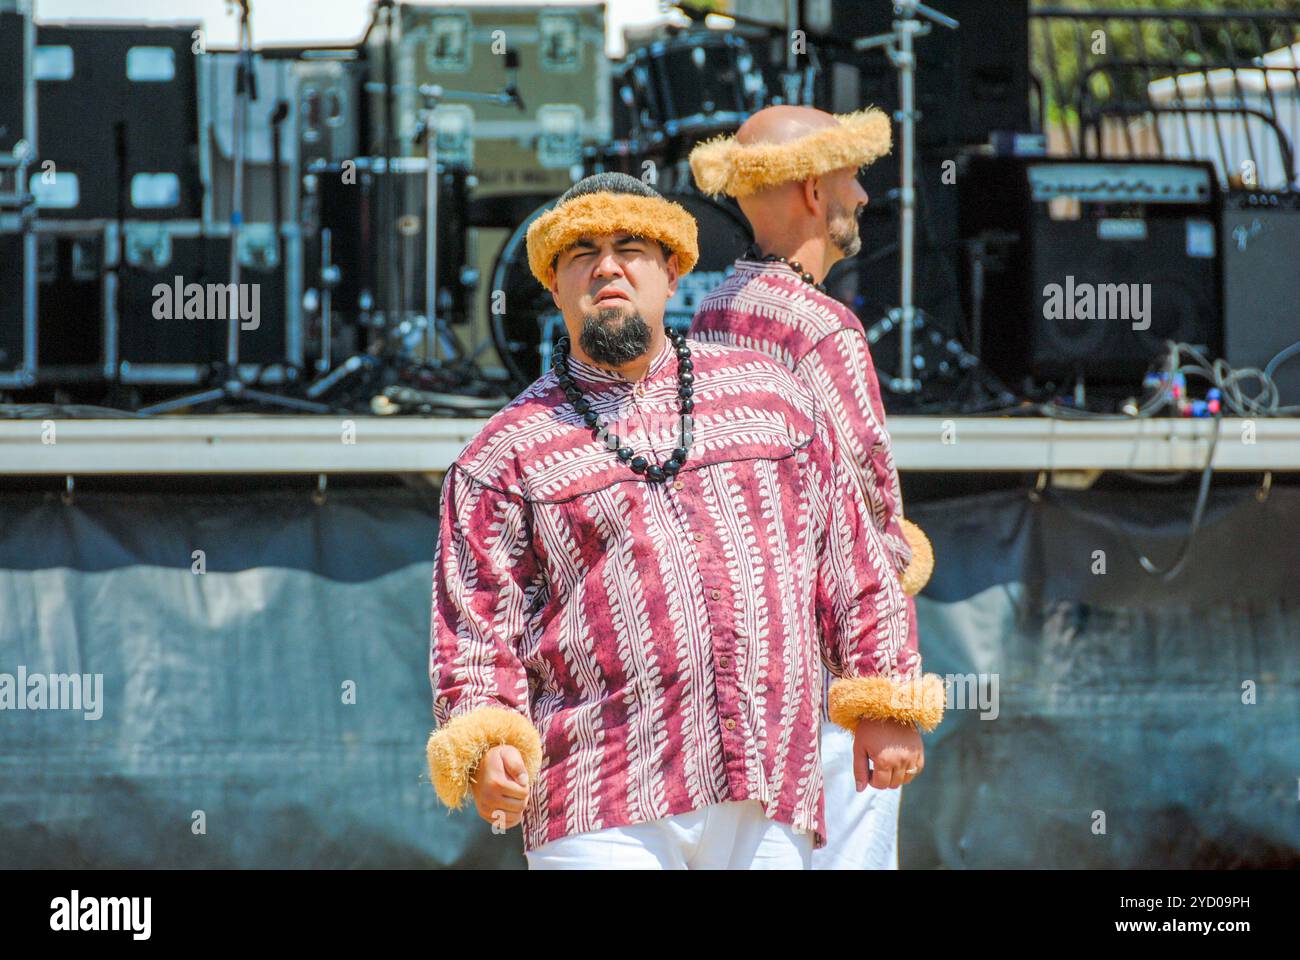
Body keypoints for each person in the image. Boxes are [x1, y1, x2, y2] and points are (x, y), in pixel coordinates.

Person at [425, 172, 944, 870]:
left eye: (630, 247)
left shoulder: (773, 398)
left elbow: (852, 561)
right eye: (581, 251)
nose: (607, 265)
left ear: (673, 272)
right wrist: (487, 746)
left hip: (766, 782)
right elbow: (475, 629)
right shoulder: (502, 453)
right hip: (597, 794)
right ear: (553, 284)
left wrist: (887, 700)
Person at [689, 105, 936, 870]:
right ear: (808, 190)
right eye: (850, 176)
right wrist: (885, 691)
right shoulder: (823, 330)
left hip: (741, 676)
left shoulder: (710, 312)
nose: (863, 195)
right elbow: (868, 520)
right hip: (829, 679)